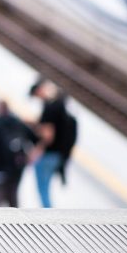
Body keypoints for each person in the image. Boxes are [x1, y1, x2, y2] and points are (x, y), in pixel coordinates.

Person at [0, 100, 38, 208]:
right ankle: (14, 224)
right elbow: (37, 140)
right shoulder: (19, 124)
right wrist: (30, 157)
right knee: (13, 204)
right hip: (16, 171)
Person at [29, 77, 78, 208]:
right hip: (58, 155)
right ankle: (48, 214)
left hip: (48, 155)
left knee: (43, 190)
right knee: (46, 189)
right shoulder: (61, 107)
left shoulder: (50, 107)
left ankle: (47, 218)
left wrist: (36, 151)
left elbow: (48, 135)